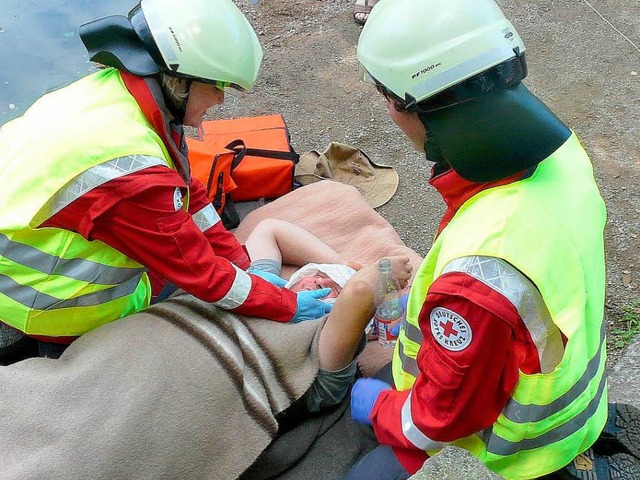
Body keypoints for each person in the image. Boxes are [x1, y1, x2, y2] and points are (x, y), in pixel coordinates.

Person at [346, 0, 640, 479]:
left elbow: (442, 418)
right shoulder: (560, 151)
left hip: (529, 447)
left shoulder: (479, 272)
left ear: (413, 105)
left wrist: (380, 409)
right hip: (578, 385)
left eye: (389, 98)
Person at [0, 0, 333, 358]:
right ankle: (62, 351)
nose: (221, 98)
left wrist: (241, 264)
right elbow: (202, 275)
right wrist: (284, 304)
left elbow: (188, 192)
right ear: (179, 79)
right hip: (50, 300)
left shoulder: (122, 93)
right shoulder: (129, 172)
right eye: (218, 85)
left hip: (28, 245)